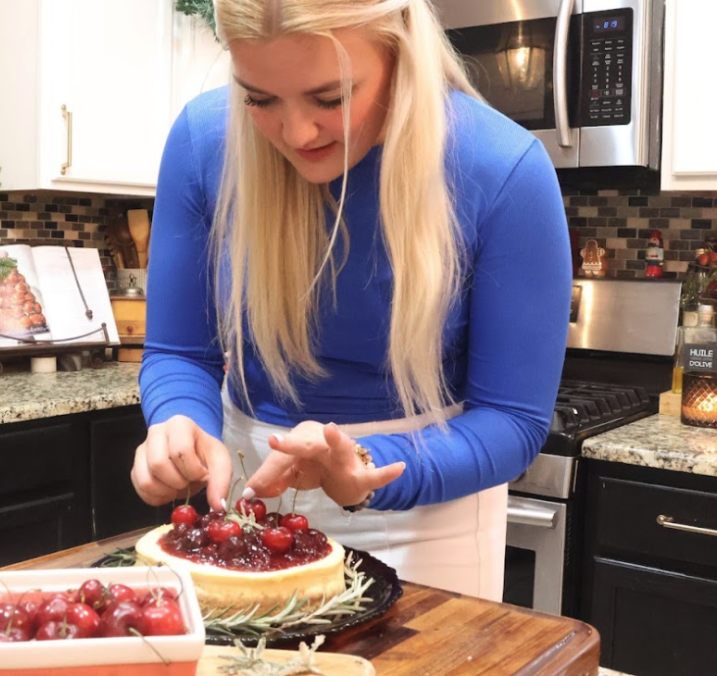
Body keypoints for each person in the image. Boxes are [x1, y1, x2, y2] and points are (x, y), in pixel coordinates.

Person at [132, 0, 571, 601]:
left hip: (425, 516)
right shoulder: (202, 141)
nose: (297, 132)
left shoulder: (503, 170)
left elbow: (514, 422)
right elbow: (179, 352)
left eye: (331, 97)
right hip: (249, 498)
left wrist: (366, 463)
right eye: (258, 99)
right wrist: (179, 419)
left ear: (398, 48)